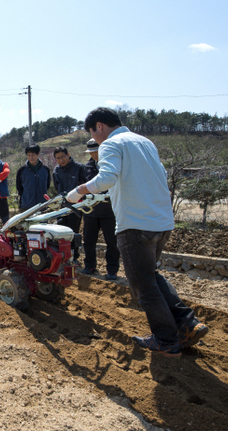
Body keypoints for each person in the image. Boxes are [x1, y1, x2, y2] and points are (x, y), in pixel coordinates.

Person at [68, 107, 209, 357]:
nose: (95, 139)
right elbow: (157, 176)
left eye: (92, 132)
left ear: (99, 126)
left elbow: (106, 178)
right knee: (151, 276)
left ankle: (166, 339)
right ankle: (187, 323)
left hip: (135, 224)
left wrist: (79, 190)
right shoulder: (145, 143)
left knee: (143, 286)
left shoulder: (111, 144)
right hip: (161, 221)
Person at [80, 138, 120, 280]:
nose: (94, 155)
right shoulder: (87, 168)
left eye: (96, 151)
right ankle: (89, 266)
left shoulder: (110, 166)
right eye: (91, 152)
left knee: (112, 241)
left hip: (109, 211)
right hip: (91, 211)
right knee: (89, 241)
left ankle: (112, 269)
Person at [52, 146, 87, 263]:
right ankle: (63, 256)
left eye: (63, 157)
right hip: (61, 206)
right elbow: (57, 187)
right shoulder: (56, 171)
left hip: (76, 206)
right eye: (58, 158)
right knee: (60, 232)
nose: (61, 160)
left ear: (68, 154)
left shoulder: (79, 168)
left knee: (73, 231)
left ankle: (74, 256)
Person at [16, 144, 51, 211]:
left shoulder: (45, 170)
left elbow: (47, 185)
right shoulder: (22, 170)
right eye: (28, 155)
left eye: (33, 155)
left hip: (42, 205)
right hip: (26, 206)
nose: (31, 157)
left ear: (38, 154)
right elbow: (19, 187)